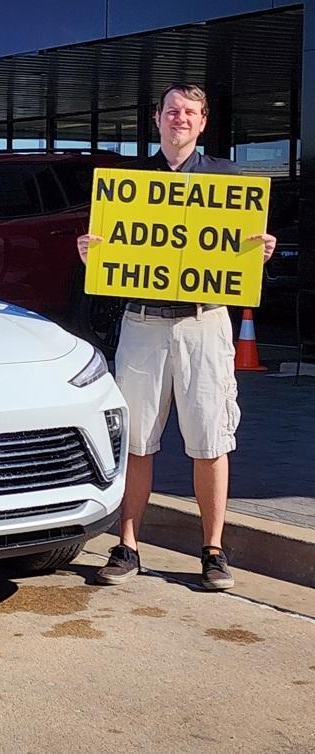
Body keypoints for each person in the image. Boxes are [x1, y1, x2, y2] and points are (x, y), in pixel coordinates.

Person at [77, 83, 277, 590]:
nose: (179, 119)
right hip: (142, 323)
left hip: (205, 322)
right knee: (137, 440)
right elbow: (113, 250)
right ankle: (127, 545)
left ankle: (213, 550)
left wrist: (262, 251)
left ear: (203, 121)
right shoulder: (131, 183)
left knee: (211, 440)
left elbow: (242, 253)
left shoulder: (228, 180)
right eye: (171, 111)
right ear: (157, 119)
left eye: (189, 112)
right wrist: (91, 252)